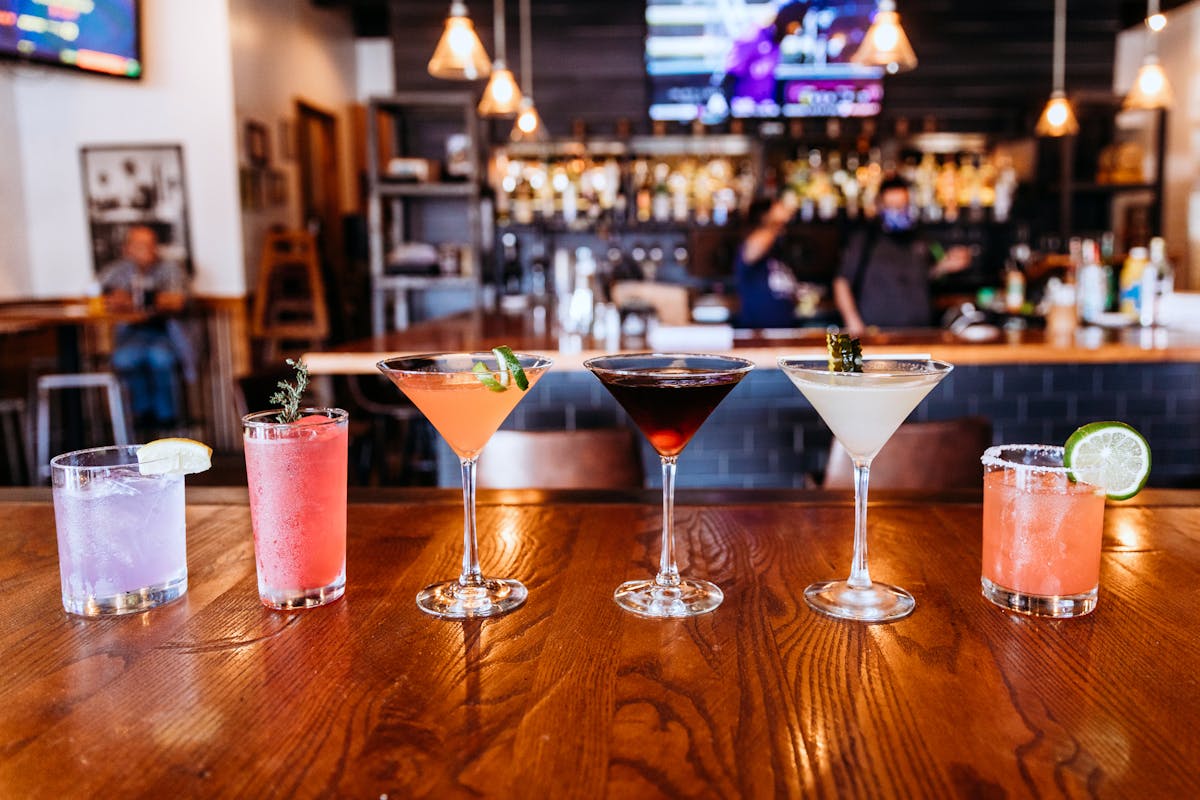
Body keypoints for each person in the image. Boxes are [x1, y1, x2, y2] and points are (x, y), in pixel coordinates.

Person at [833, 176, 972, 334]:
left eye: (902, 205)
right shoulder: (865, 240)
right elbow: (841, 282)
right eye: (891, 205)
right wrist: (853, 321)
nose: (897, 210)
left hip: (920, 331)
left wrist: (944, 266)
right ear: (880, 205)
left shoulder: (920, 237)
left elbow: (925, 275)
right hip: (876, 333)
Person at [98, 225, 194, 432]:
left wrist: (135, 298)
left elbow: (177, 301)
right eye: (141, 245)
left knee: (160, 356)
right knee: (124, 358)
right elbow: (102, 296)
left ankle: (167, 418)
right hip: (130, 333)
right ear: (127, 248)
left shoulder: (170, 269)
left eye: (151, 245)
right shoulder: (117, 270)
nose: (148, 250)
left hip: (167, 332)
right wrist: (150, 299)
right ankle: (141, 415)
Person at [735, 195, 804, 328]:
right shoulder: (754, 242)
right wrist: (775, 224)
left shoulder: (777, 246)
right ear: (764, 215)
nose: (784, 208)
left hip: (784, 328)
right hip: (757, 332)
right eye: (778, 205)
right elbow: (753, 251)